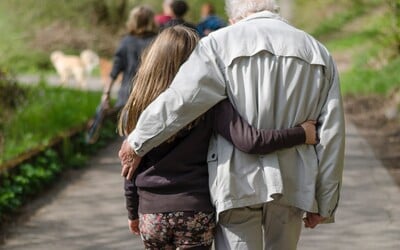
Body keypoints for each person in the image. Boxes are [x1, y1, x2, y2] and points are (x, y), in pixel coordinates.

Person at [119, 0, 346, 249]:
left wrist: (138, 140)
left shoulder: (217, 45)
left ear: (234, 18)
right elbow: (332, 133)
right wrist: (326, 202)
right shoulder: (318, 51)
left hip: (238, 181)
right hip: (293, 180)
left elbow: (181, 101)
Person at [86, 6, 157, 144]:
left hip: (127, 96)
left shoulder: (126, 42)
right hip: (152, 96)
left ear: (133, 21)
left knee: (129, 140)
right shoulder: (158, 41)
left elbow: (115, 70)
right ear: (151, 21)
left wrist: (106, 93)